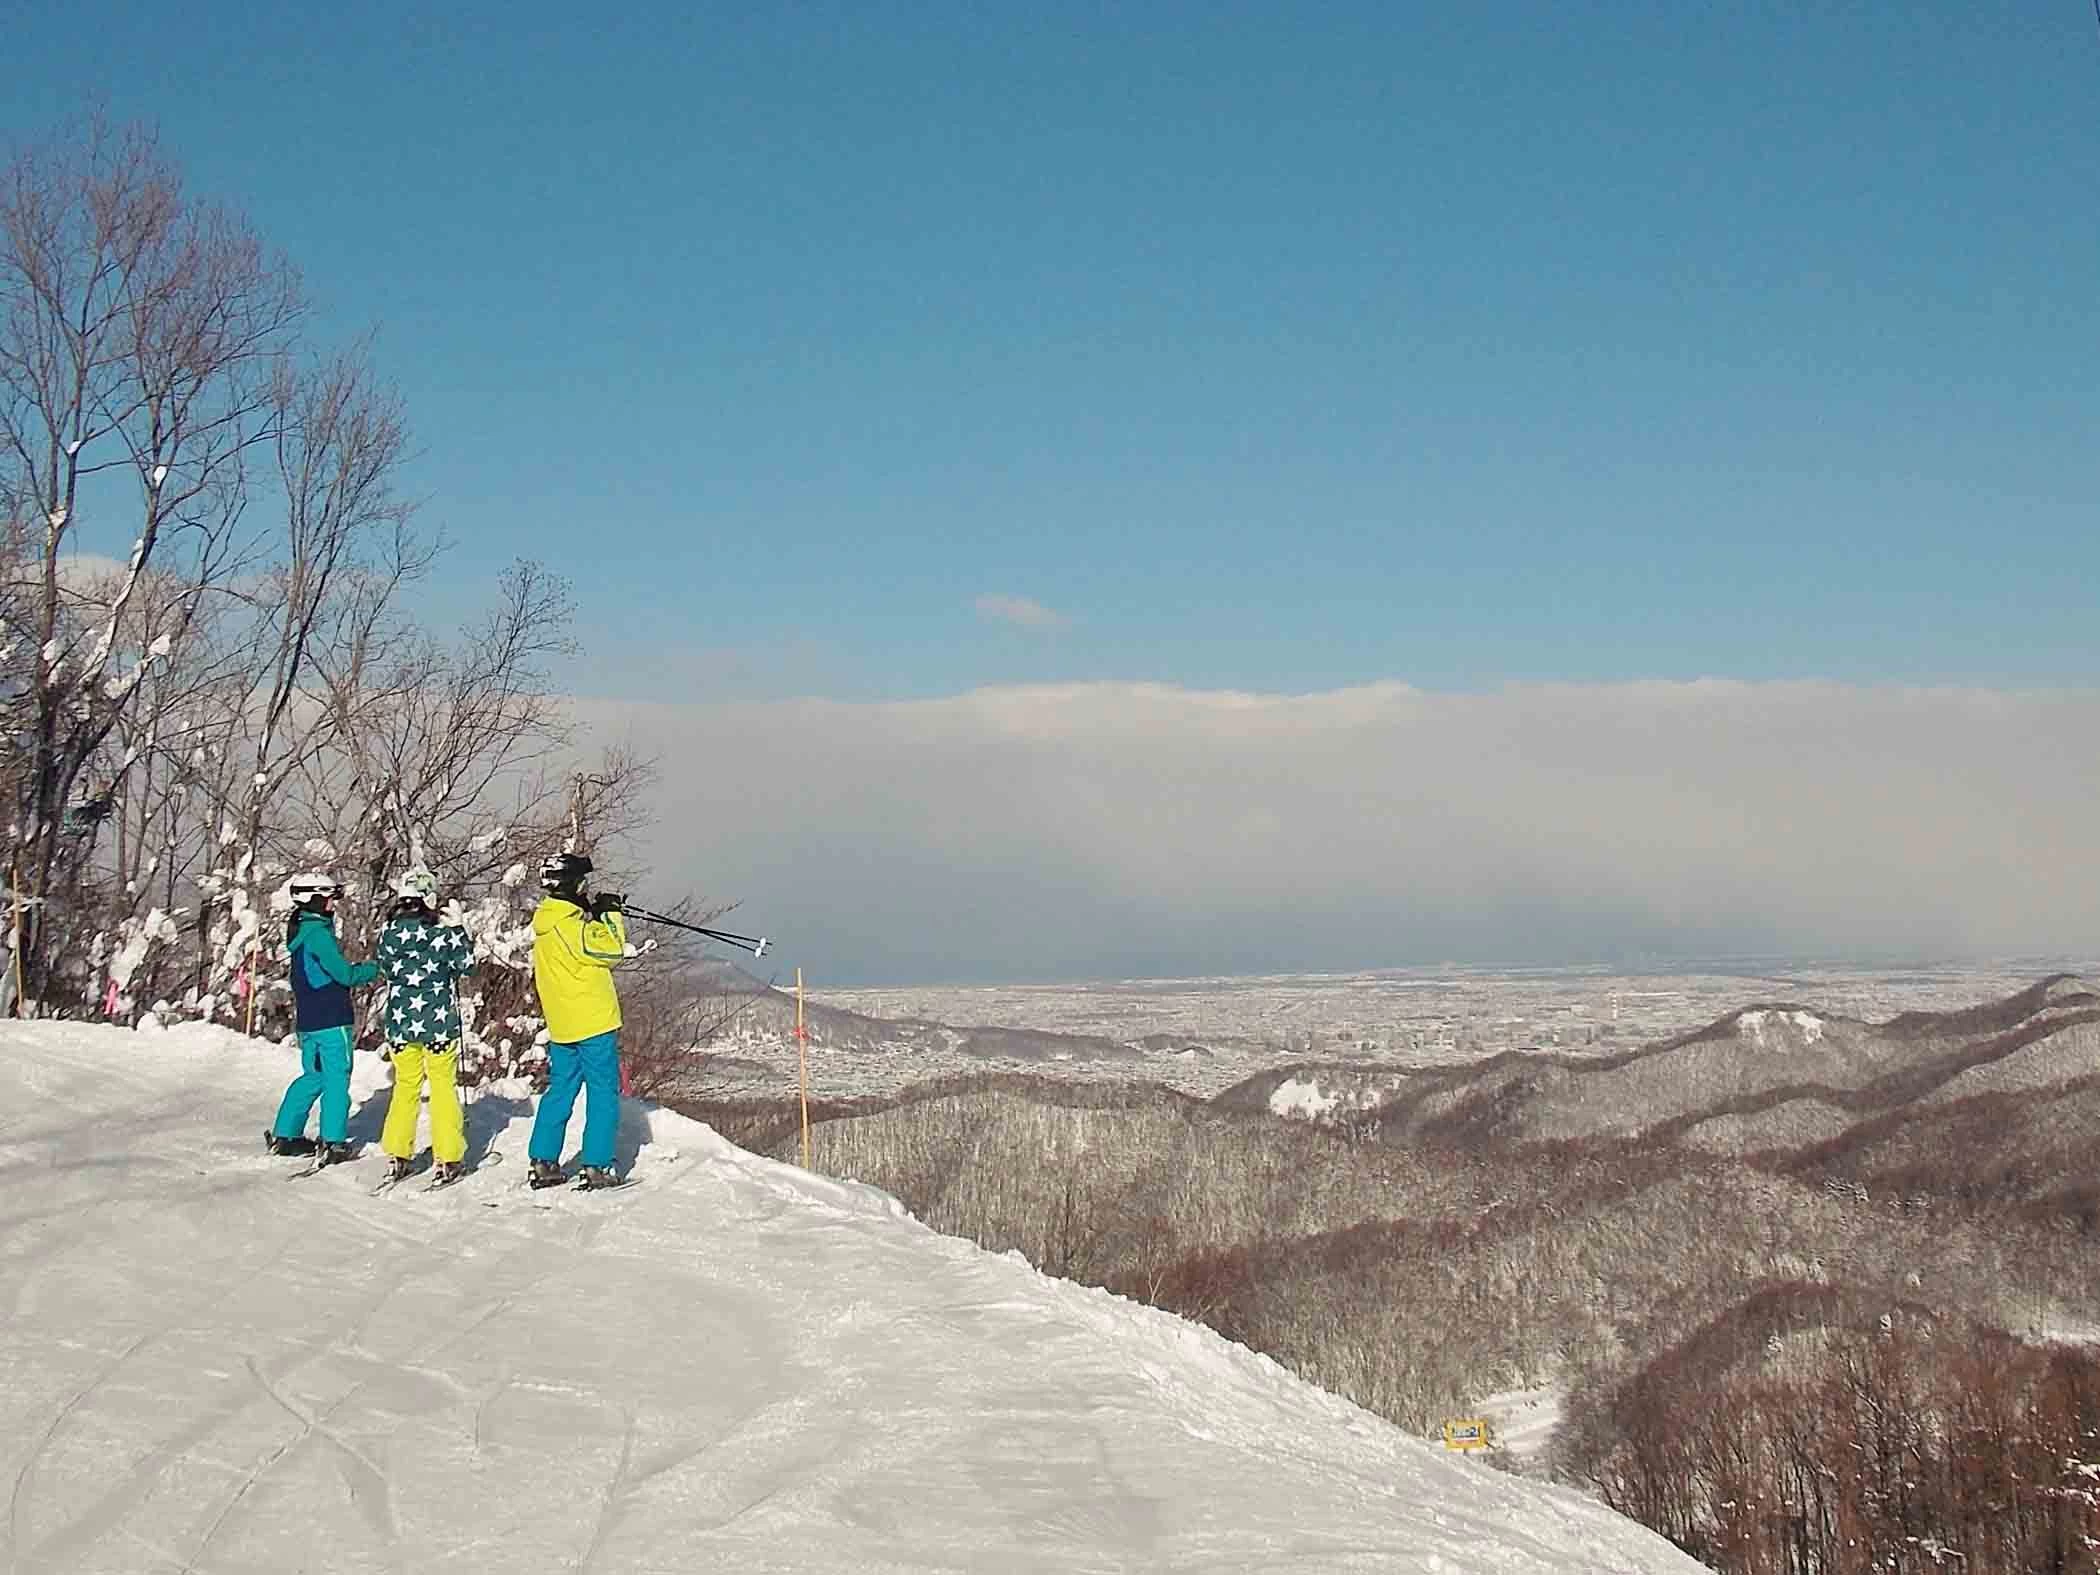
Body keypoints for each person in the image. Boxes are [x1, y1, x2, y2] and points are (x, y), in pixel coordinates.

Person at [527, 851, 630, 1189]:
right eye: (583, 882)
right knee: (602, 1092)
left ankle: (543, 1160)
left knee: (560, 1090)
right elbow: (611, 951)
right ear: (572, 884)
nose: (587, 887)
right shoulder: (573, 927)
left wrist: (592, 912)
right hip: (593, 1022)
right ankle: (597, 1164)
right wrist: (610, 915)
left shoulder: (547, 921)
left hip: (562, 1023)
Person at [265, 872, 379, 1165]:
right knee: (336, 1079)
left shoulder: (301, 931)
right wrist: (375, 969)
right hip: (331, 1019)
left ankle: (285, 1135)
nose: (332, 904)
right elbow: (344, 974)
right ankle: (334, 1142)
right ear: (313, 899)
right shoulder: (318, 935)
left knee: (313, 1076)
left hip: (308, 1021)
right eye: (328, 898)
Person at [375, 867, 476, 1187]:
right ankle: (448, 1157)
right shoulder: (441, 934)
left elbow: (384, 968)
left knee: (406, 1086)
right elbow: (466, 966)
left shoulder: (389, 934)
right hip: (437, 1025)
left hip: (401, 1023)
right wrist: (458, 929)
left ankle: (397, 1153)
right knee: (443, 1087)